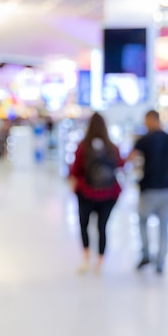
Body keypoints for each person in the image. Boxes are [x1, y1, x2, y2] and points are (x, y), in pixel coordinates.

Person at [128, 110, 168, 275]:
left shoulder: (145, 140)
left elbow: (130, 158)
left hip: (149, 189)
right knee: (164, 226)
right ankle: (160, 261)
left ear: (152, 119)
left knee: (143, 221)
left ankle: (146, 254)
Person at [69, 113, 124, 275]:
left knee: (84, 225)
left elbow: (74, 170)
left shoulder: (83, 147)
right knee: (102, 227)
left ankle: (86, 259)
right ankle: (100, 262)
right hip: (109, 193)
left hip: (86, 193)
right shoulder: (112, 147)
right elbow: (120, 164)